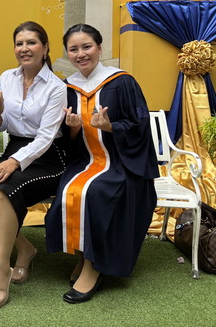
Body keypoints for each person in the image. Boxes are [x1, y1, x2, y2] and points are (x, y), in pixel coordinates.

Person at [45, 24, 159, 304]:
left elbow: (140, 126)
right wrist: (73, 128)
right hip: (84, 161)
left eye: (87, 47)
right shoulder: (68, 87)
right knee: (70, 190)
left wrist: (110, 127)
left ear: (99, 48)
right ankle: (85, 255)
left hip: (122, 163)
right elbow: (68, 141)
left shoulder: (122, 82)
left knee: (97, 193)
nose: (81, 54)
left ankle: (93, 268)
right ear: (67, 53)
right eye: (73, 49)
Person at [0, 21, 67, 309]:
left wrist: (15, 162)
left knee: (4, 189)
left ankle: (1, 267)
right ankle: (24, 249)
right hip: (15, 147)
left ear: (45, 48)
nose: (24, 49)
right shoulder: (7, 77)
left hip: (48, 156)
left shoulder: (57, 86)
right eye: (19, 43)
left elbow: (45, 137)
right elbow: (0, 126)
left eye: (31, 42)